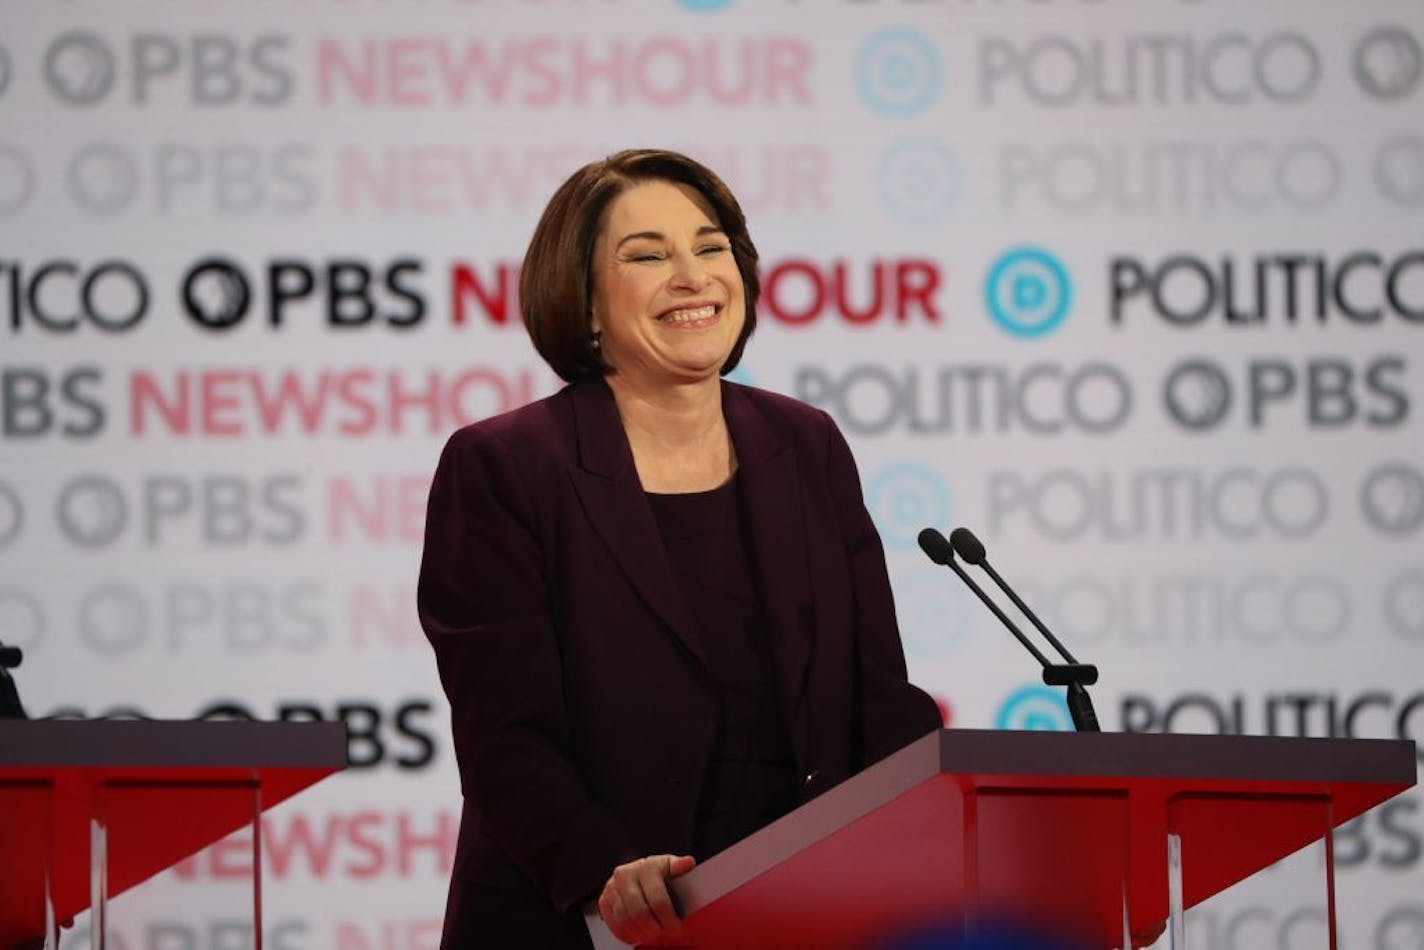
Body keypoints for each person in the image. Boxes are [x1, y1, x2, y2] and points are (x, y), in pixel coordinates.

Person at [418, 148, 941, 948]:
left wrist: (968, 861)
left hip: (799, 916)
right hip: (592, 924)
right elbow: (506, 738)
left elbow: (878, 704)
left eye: (711, 246)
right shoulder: (506, 467)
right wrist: (609, 870)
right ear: (585, 303)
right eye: (648, 255)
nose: (693, 275)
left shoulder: (805, 444)